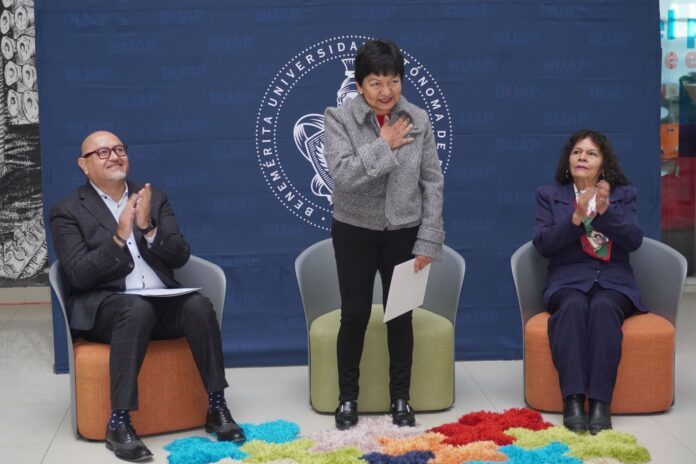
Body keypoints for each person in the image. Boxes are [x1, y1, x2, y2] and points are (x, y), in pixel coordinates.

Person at [50, 131, 245, 461]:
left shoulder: (152, 198)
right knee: (135, 309)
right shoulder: (67, 210)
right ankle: (119, 423)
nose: (114, 156)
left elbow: (180, 256)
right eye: (102, 153)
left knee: (198, 305)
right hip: (106, 309)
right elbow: (78, 275)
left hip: (159, 303)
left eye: (119, 149)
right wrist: (118, 238)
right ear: (83, 165)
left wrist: (149, 228)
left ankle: (217, 407)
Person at [323, 39, 445, 430]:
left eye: (393, 80)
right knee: (354, 315)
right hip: (354, 232)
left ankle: (400, 399)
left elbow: (432, 182)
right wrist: (384, 145)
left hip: (404, 233)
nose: (386, 91)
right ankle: (347, 399)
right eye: (376, 82)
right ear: (360, 86)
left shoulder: (418, 119)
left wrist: (428, 238)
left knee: (400, 318)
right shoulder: (338, 118)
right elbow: (343, 175)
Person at [533, 129, 646, 435]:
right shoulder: (549, 195)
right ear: (568, 159)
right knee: (572, 306)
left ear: (603, 164)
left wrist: (605, 212)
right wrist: (575, 219)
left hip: (614, 281)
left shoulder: (624, 195)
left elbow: (634, 240)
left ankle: (599, 403)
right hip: (567, 280)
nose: (582, 158)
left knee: (603, 307)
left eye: (591, 153)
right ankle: (572, 400)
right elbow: (543, 245)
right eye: (577, 152)